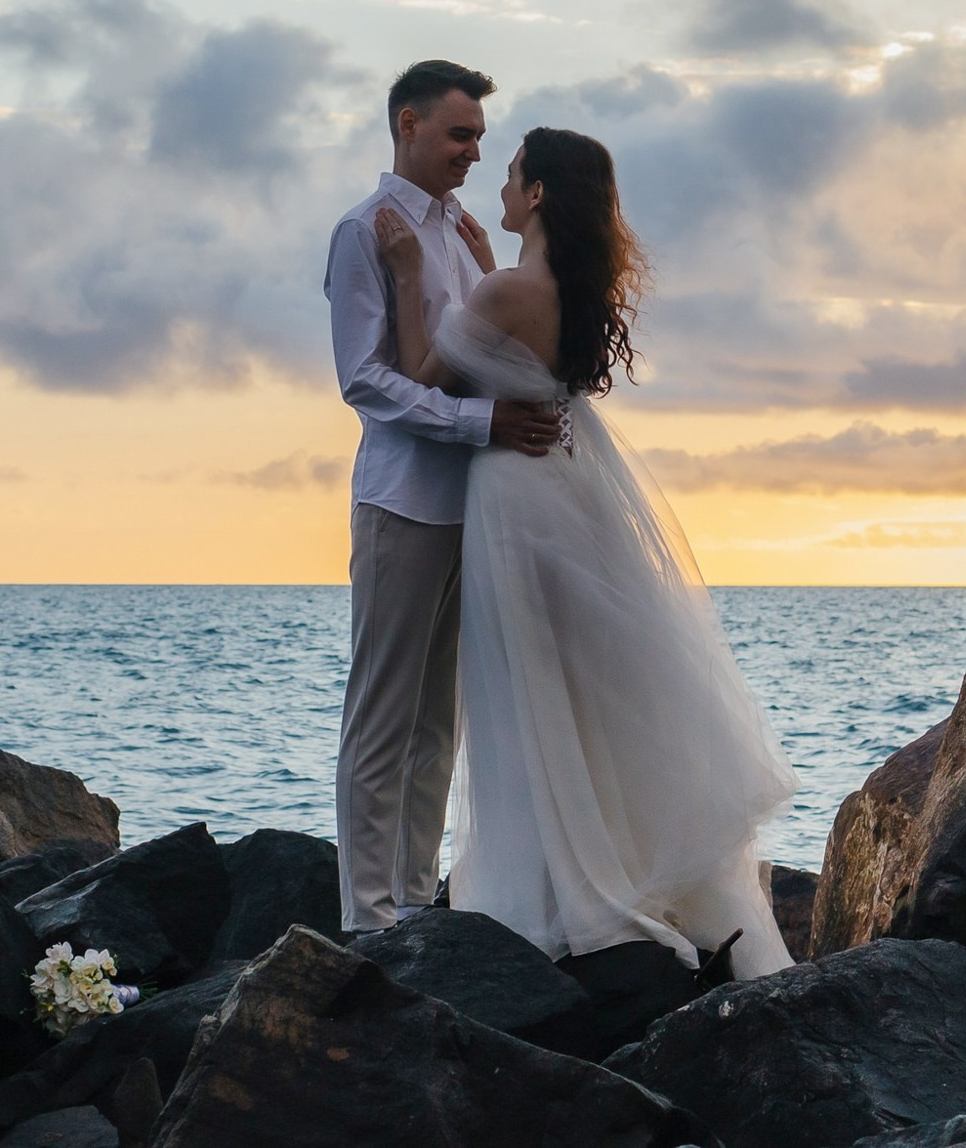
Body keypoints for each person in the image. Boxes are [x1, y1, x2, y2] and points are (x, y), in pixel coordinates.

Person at [374, 125, 798, 978]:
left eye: (514, 172)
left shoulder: (500, 294)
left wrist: (412, 272)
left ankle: (559, 886)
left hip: (513, 496)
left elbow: (421, 373)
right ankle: (630, 855)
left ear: (536, 194)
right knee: (586, 687)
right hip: (571, 488)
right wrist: (490, 258)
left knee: (527, 690)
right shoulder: (570, 286)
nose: (498, 179)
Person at [325, 61, 563, 937]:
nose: (473, 152)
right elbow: (367, 381)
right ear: (408, 124)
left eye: (480, 139)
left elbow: (482, 353)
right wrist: (482, 424)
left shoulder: (467, 234)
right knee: (382, 713)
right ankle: (365, 914)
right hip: (403, 499)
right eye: (460, 133)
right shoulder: (363, 231)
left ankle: (417, 900)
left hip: (477, 506)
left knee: (441, 720)